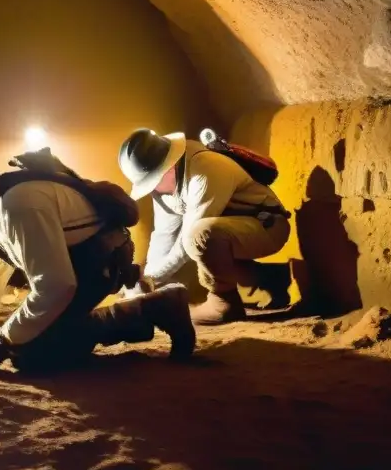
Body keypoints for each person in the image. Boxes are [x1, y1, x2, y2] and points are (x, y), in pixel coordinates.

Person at [0, 148, 196, 375]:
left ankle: (151, 309)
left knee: (33, 353)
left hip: (101, 261)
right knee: (27, 334)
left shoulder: (18, 205)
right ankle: (140, 313)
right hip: (76, 264)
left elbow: (57, 285)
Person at [118, 128, 291, 325]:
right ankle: (273, 278)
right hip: (230, 231)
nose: (153, 188)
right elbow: (164, 235)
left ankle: (223, 303)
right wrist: (145, 282)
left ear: (170, 165)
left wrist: (149, 281)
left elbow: (186, 243)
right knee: (205, 247)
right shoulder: (164, 186)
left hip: (267, 227)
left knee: (199, 237)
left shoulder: (205, 168)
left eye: (153, 180)